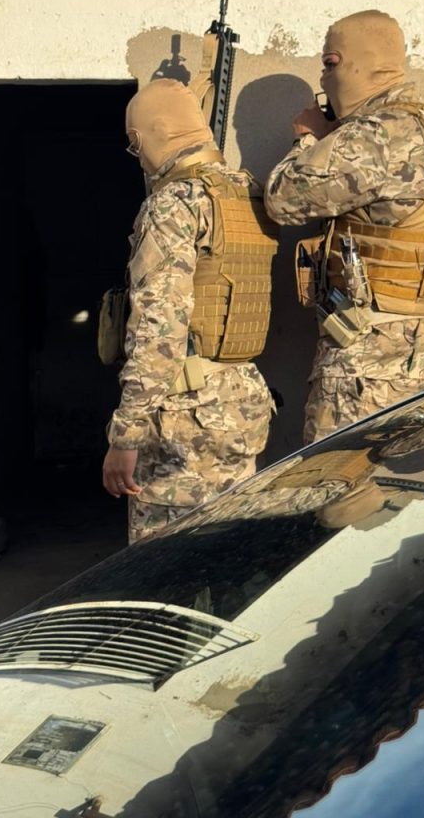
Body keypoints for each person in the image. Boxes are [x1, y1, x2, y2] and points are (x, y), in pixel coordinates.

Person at [264, 9, 424, 444]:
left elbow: (282, 199)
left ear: (364, 62)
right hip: (418, 349)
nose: (324, 77)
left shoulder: (377, 134)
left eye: (330, 63)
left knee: (338, 481)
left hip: (367, 360)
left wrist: (307, 137)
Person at [102, 78, 278, 542]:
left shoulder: (172, 205)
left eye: (135, 145)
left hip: (184, 415)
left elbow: (159, 329)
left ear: (150, 136)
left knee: (164, 562)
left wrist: (126, 434)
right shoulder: (248, 193)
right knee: (227, 551)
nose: (138, 158)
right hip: (241, 404)